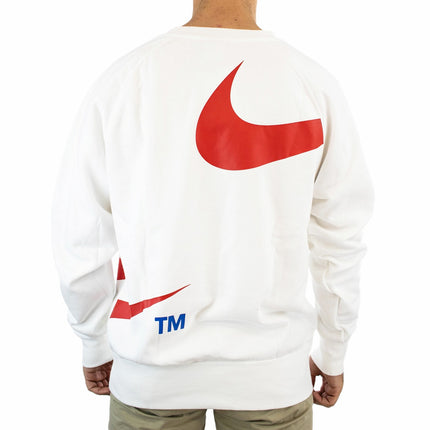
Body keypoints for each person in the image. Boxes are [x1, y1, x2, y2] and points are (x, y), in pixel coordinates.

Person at [50, 0, 375, 428]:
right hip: (271, 374)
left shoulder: (124, 80)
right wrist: (333, 348)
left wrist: (93, 340)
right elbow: (340, 237)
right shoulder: (311, 83)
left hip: (151, 367)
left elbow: (80, 234)